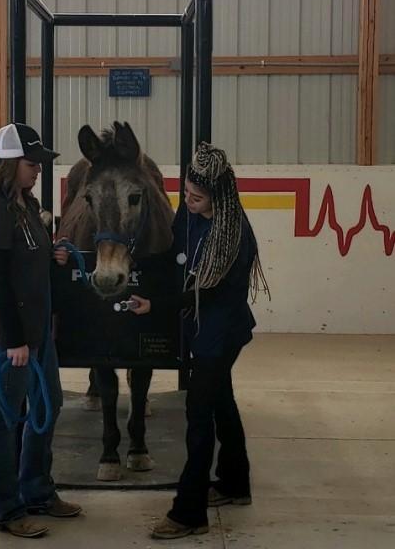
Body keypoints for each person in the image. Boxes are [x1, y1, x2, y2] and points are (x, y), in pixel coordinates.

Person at [126, 142, 269, 540]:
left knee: (199, 413)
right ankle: (234, 482)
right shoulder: (189, 216)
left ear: (218, 197)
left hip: (219, 333)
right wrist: (133, 260)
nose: (188, 202)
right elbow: (173, 254)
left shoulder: (233, 234)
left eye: (197, 197)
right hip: (200, 326)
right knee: (222, 401)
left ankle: (189, 512)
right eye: (186, 193)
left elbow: (202, 294)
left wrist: (153, 306)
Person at [0, 123, 83, 540]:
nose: (38, 171)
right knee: (5, 419)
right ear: (10, 164)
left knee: (48, 409)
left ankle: (36, 489)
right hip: (8, 336)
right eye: (32, 164)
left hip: (37, 334)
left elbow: (30, 263)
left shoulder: (26, 206)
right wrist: (15, 340)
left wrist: (56, 257)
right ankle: (6, 507)